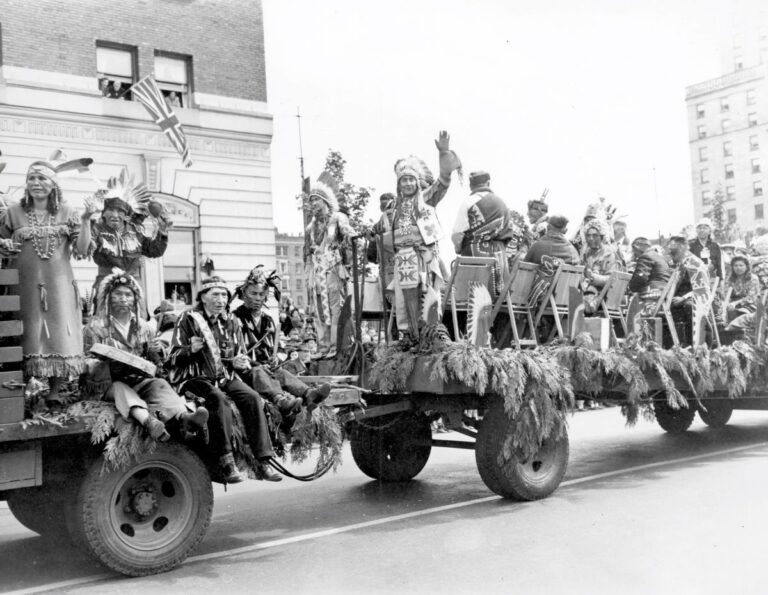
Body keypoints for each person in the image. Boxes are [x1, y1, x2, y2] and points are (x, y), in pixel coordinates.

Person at [0, 152, 94, 405]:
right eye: (31, 178)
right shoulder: (13, 212)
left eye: (41, 178)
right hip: (22, 285)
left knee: (58, 333)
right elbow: (1, 242)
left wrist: (85, 221)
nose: (35, 182)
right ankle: (19, 394)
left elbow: (84, 250)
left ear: (53, 184)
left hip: (59, 286)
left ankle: (54, 393)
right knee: (25, 332)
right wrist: (4, 244)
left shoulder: (68, 212)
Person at [168, 276, 281, 483]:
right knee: (218, 400)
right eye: (215, 295)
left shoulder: (230, 320)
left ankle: (264, 460)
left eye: (223, 295)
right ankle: (227, 461)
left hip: (225, 375)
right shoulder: (188, 319)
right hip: (196, 377)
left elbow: (237, 354)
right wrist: (189, 350)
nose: (220, 300)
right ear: (203, 297)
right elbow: (172, 357)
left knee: (252, 397)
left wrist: (239, 362)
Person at [82, 270, 208, 441]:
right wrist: (101, 362)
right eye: (118, 294)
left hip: (137, 379)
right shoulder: (95, 326)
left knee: (160, 384)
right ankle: (147, 421)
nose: (123, 299)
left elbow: (155, 360)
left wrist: (155, 351)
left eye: (128, 294)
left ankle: (184, 417)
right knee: (120, 388)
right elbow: (85, 361)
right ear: (108, 297)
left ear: (135, 299)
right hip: (107, 385)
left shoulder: (144, 326)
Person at [371, 130, 462, 342]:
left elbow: (442, 183)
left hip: (422, 256)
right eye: (404, 181)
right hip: (402, 258)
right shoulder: (395, 206)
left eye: (412, 180)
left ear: (417, 181)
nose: (408, 184)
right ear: (399, 184)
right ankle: (410, 335)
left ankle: (428, 335)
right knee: (403, 299)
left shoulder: (426, 199)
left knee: (426, 295)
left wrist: (444, 155)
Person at [232, 266, 331, 421]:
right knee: (259, 371)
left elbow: (276, 349)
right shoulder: (234, 319)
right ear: (243, 294)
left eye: (261, 294)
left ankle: (309, 394)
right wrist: (257, 364)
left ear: (266, 296)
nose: (258, 298)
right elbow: (236, 353)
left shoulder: (268, 320)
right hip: (246, 372)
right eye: (253, 293)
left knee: (283, 373)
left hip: (268, 370)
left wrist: (275, 359)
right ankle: (281, 401)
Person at [88, 170, 171, 308]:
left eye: (120, 211)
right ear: (104, 212)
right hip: (106, 285)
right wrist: (86, 220)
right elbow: (84, 247)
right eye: (111, 210)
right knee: (102, 322)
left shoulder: (134, 231)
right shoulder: (97, 229)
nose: (115, 215)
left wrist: (162, 231)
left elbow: (155, 251)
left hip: (132, 286)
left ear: (125, 214)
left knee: (138, 320)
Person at [306, 171, 355, 359]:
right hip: (317, 270)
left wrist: (351, 236)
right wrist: (308, 271)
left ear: (325, 201)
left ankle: (336, 346)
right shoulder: (311, 227)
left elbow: (347, 232)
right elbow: (307, 252)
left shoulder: (338, 218)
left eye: (316, 200)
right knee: (319, 308)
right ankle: (323, 346)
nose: (313, 205)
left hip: (333, 268)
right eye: (311, 201)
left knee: (335, 308)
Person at [451, 170, 515, 284]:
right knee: (498, 293)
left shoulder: (468, 202)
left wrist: (458, 248)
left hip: (474, 256)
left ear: (471, 186)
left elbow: (457, 233)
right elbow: (509, 231)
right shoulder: (502, 203)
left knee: (470, 292)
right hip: (500, 256)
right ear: (488, 183)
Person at [667, 235, 711, 345]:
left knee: (689, 307)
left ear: (682, 247)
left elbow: (702, 289)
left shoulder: (695, 263)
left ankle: (694, 345)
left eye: (672, 247)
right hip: (674, 297)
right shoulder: (673, 262)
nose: (670, 250)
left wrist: (683, 298)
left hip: (693, 297)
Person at [581, 218, 622, 314]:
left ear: (602, 237)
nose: (591, 238)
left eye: (595, 235)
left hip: (602, 295)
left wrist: (593, 277)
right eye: (588, 235)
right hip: (587, 291)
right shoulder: (586, 253)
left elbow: (613, 280)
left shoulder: (609, 254)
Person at [721, 255, 760, 329]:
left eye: (741, 265)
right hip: (731, 303)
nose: (738, 268)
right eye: (735, 265)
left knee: (738, 314)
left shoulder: (753, 278)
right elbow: (726, 294)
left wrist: (735, 303)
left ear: (747, 267)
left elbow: (751, 297)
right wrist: (726, 304)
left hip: (749, 304)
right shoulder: (730, 278)